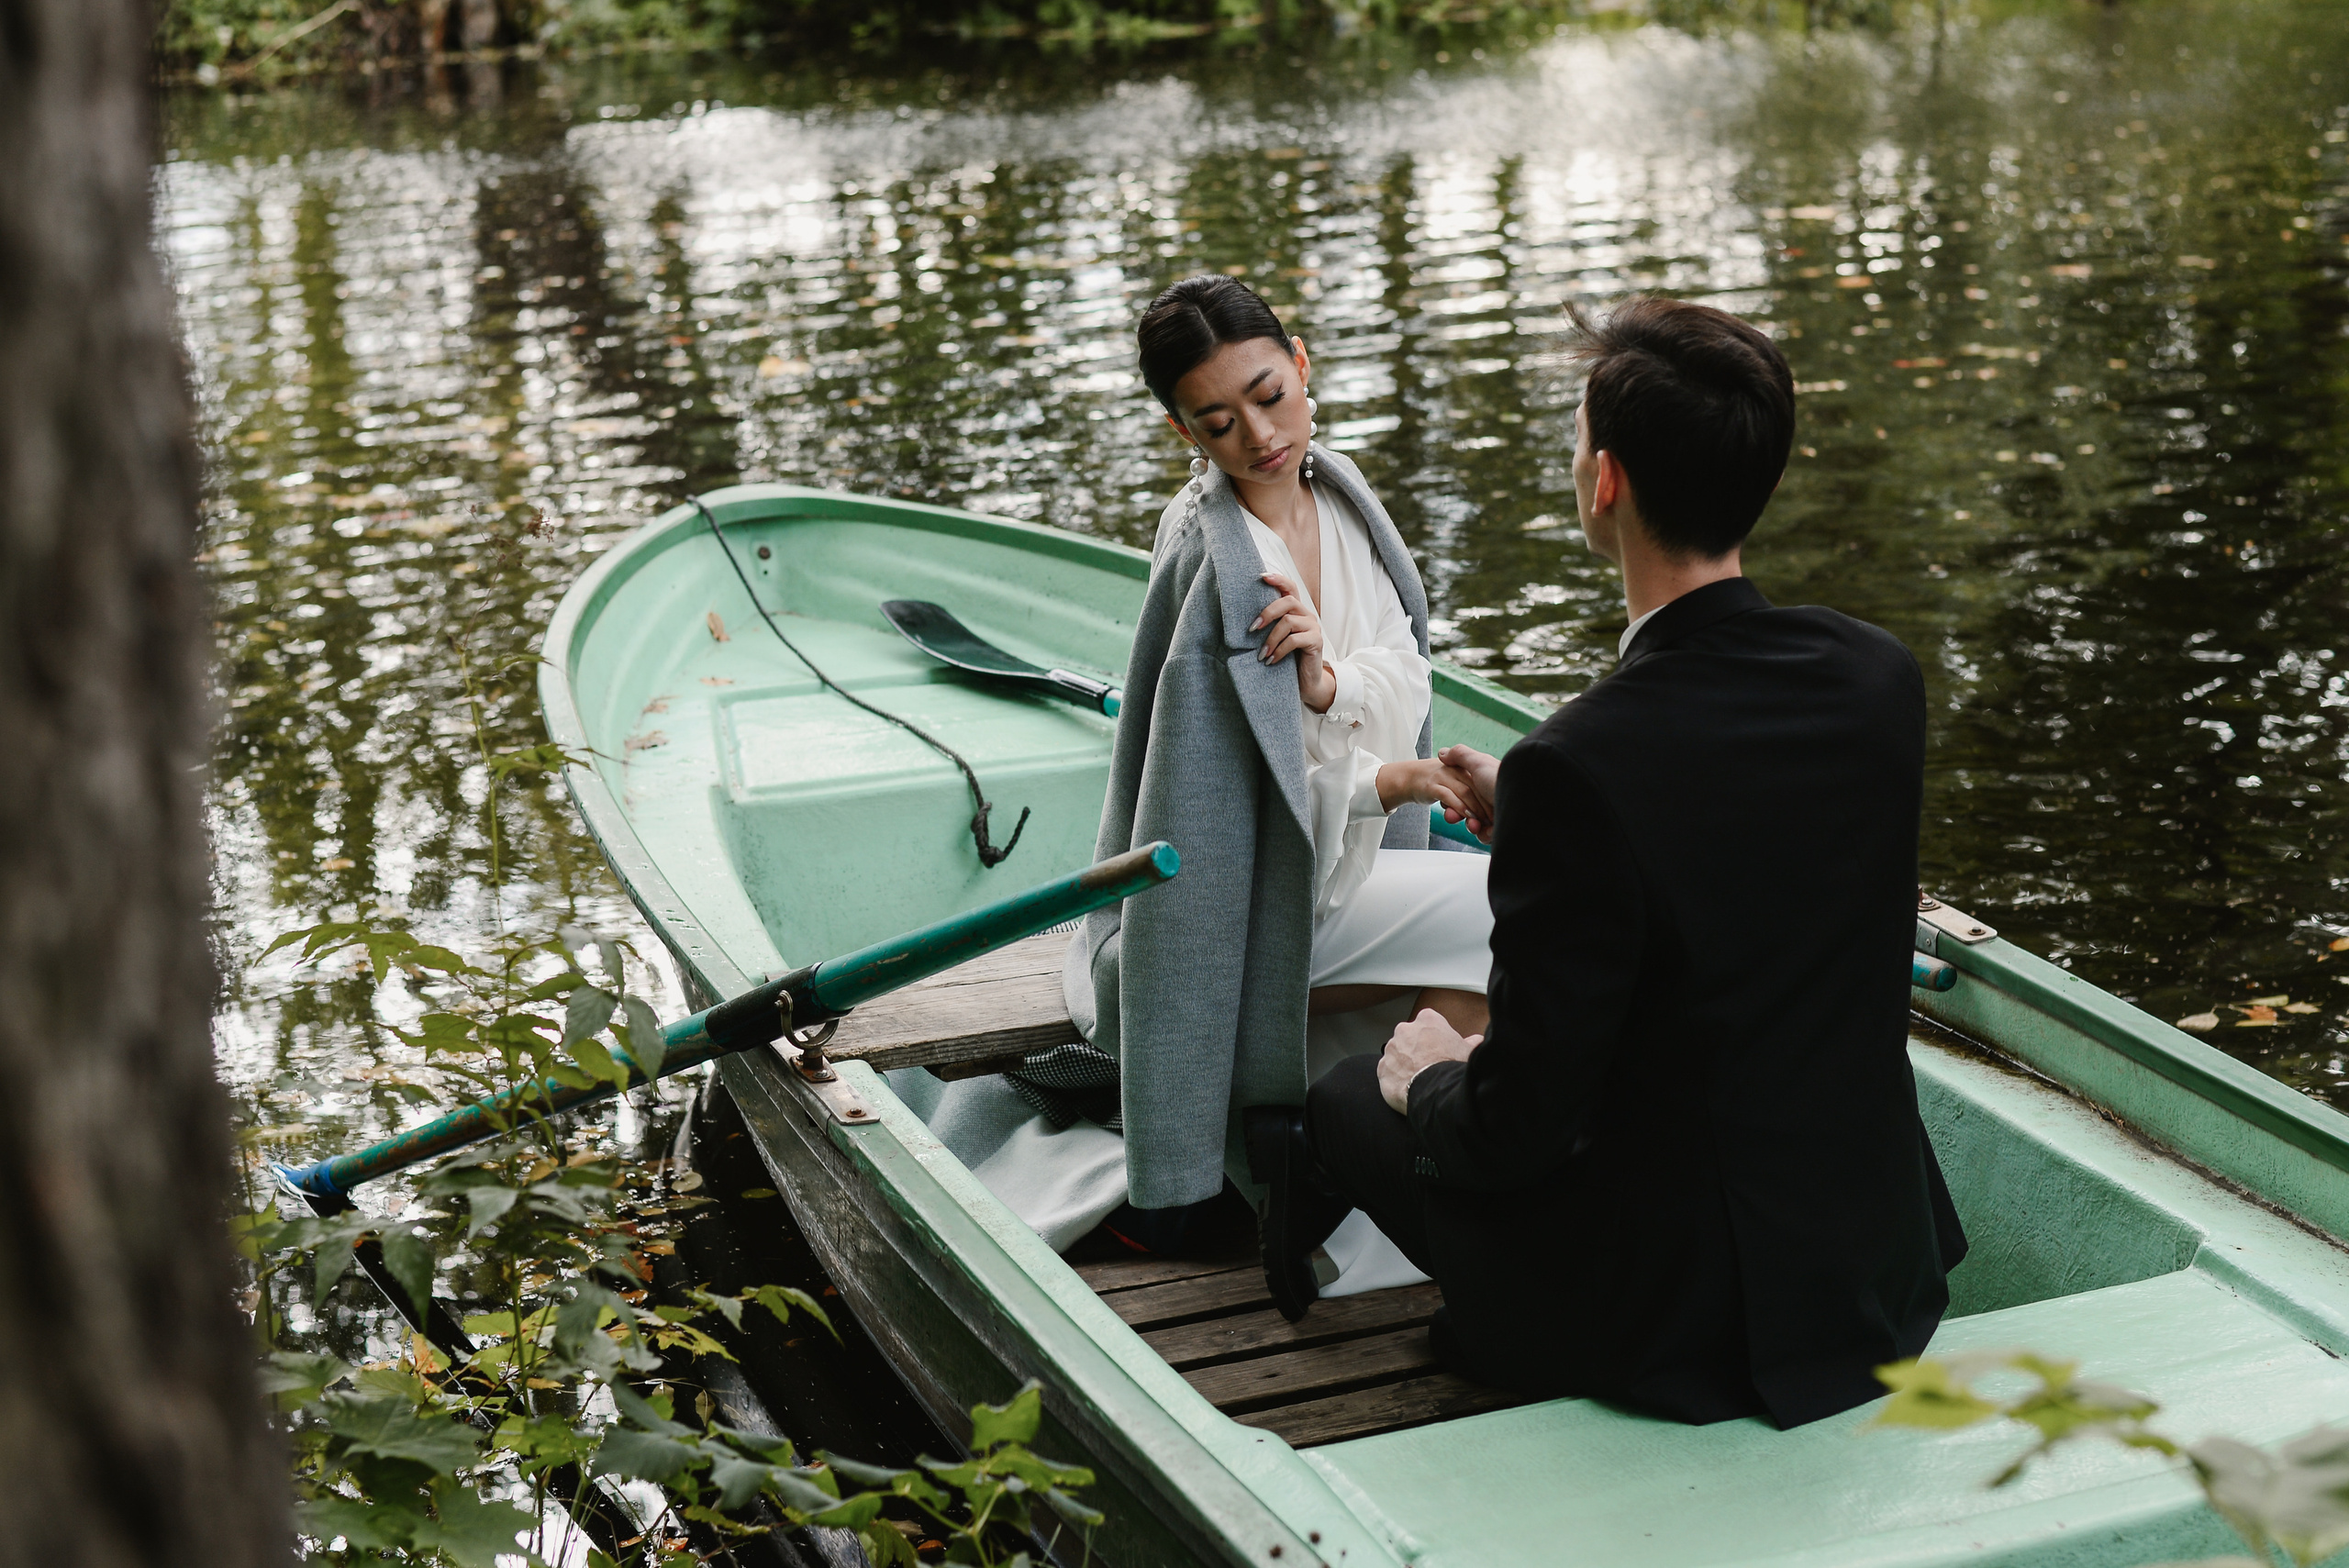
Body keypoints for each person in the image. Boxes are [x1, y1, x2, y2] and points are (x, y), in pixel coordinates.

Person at [1289, 295, 1969, 1428]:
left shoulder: (1582, 765)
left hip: (1688, 1326)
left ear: (1603, 480)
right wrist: (1540, 807)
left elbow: (1515, 1125)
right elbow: (1735, 826)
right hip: (1872, 1273)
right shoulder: (1875, 678)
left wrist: (1434, 1078)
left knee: (1349, 1096)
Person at [894, 276, 1489, 1280]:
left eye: (1270, 395)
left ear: (1301, 364)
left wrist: (1332, 687)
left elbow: (1401, 668)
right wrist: (1384, 781)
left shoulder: (1344, 499)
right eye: (1218, 422)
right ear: (1184, 431)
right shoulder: (1224, 568)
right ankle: (1377, 1200)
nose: (1260, 435)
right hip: (1256, 908)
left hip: (1341, 868)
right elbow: (1228, 823)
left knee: (1516, 913)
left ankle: (1373, 1177)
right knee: (1506, 911)